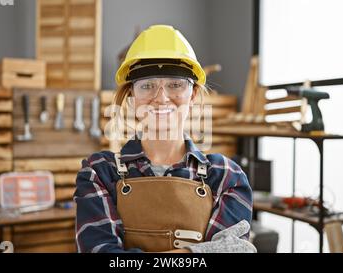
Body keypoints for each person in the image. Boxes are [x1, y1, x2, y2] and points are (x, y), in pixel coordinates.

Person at [74, 25, 256, 253]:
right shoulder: (99, 172)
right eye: (147, 86)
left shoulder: (227, 176)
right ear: (132, 97)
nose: (161, 98)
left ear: (194, 95)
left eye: (175, 84)